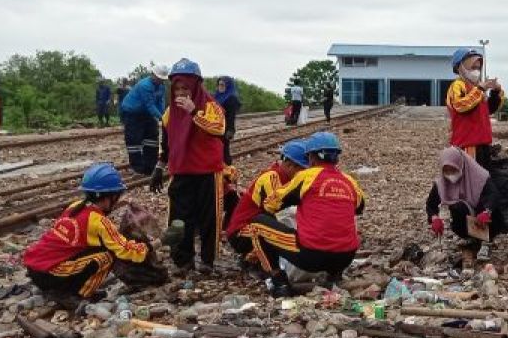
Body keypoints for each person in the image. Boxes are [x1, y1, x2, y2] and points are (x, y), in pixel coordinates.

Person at [256, 132, 366, 297]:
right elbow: (359, 207)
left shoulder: (306, 177)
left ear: (311, 158)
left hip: (312, 257)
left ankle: (279, 282)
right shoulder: (349, 180)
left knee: (258, 222)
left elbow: (272, 204)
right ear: (336, 158)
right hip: (345, 257)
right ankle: (334, 276)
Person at [23, 163, 152, 300]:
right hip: (50, 274)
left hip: (35, 268)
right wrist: (147, 248)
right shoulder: (98, 221)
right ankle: (76, 295)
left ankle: (63, 288)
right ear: (110, 196)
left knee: (98, 247)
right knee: (107, 257)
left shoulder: (74, 207)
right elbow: (123, 249)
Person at [149, 59, 227, 273]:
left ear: (195, 86)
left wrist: (194, 113)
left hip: (207, 171)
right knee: (179, 218)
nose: (181, 93)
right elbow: (165, 144)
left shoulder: (211, 106)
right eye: (177, 89)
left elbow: (219, 129)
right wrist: (159, 167)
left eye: (186, 88)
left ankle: (208, 260)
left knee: (209, 217)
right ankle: (183, 260)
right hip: (181, 170)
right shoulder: (168, 114)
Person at [225, 140, 309, 272]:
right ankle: (259, 263)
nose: (303, 173)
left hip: (255, 225)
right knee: (276, 231)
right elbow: (278, 212)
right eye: (301, 169)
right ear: (288, 164)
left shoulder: (288, 178)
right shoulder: (272, 178)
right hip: (241, 232)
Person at [427, 146, 501, 261]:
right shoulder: (442, 183)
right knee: (457, 207)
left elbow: (493, 195)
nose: (450, 174)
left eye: (453, 169)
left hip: (483, 216)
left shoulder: (479, 176)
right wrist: (434, 218)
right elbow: (431, 204)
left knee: (488, 208)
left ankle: (486, 241)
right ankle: (471, 237)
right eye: (446, 171)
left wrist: (487, 211)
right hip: (465, 217)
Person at [446, 47, 504, 169]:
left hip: (482, 142)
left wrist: (495, 92)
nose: (476, 71)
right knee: (472, 182)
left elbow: (489, 109)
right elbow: (460, 106)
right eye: (473, 67)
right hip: (468, 143)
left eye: (478, 68)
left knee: (482, 181)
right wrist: (480, 89)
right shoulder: (457, 86)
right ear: (459, 67)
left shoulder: (476, 88)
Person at [120, 65, 169, 174]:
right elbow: (150, 105)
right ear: (153, 75)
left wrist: (164, 115)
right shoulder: (145, 86)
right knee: (134, 141)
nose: (160, 80)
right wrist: (162, 118)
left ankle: (150, 166)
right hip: (133, 113)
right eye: (158, 78)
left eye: (162, 79)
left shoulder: (161, 86)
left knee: (152, 139)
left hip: (147, 113)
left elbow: (160, 102)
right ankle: (138, 168)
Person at [214, 76, 241, 166]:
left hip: (224, 128)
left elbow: (231, 116)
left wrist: (230, 130)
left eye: (222, 85)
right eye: (219, 85)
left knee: (224, 150)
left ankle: (227, 171)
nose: (220, 87)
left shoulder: (231, 98)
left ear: (228, 86)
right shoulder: (216, 96)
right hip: (214, 127)